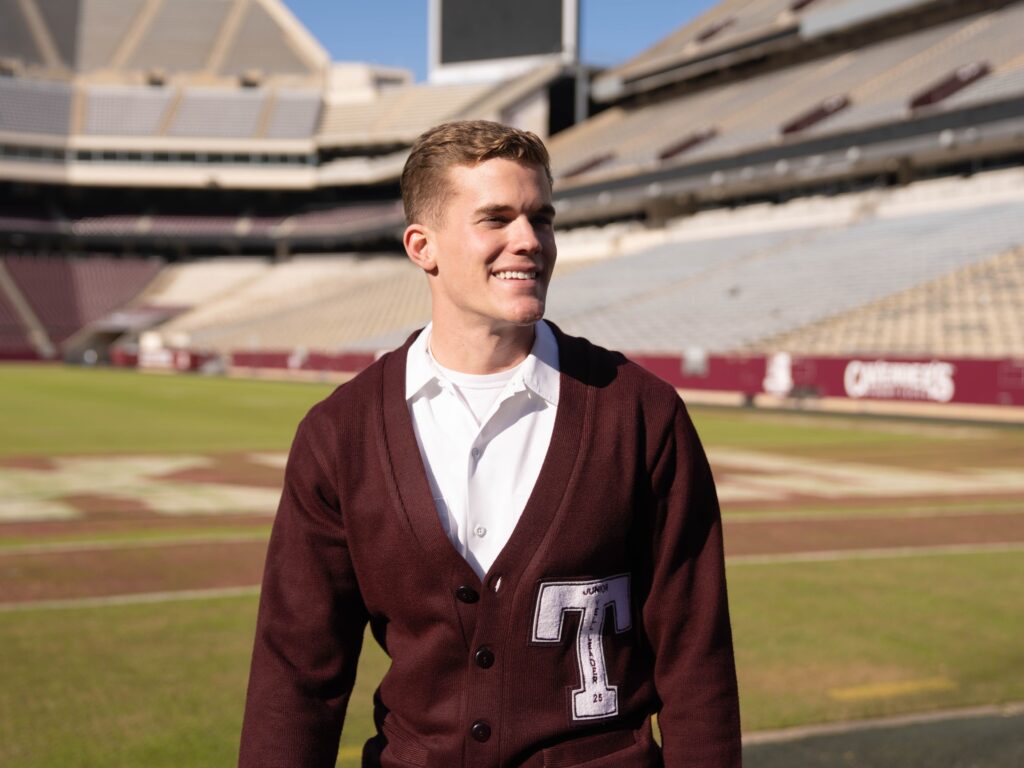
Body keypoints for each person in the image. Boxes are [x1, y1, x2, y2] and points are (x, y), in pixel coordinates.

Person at [239, 120, 741, 767]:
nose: (529, 241)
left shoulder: (642, 414)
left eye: (542, 218)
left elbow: (696, 660)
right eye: (497, 219)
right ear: (424, 246)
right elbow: (297, 678)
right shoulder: (340, 436)